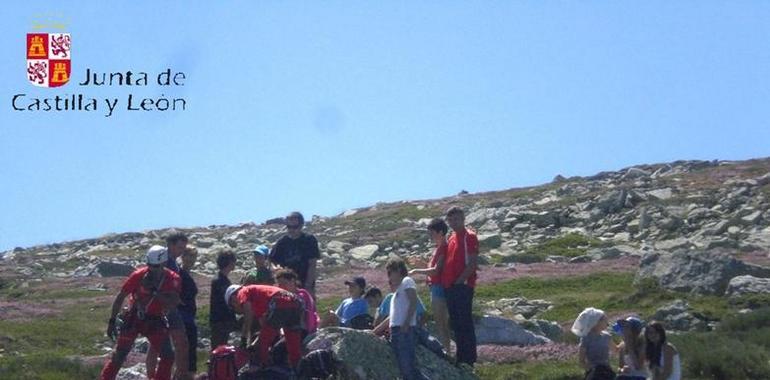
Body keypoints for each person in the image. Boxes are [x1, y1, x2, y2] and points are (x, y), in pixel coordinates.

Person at [100, 246, 181, 380]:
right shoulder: (138, 275)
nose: (152, 269)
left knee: (168, 355)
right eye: (150, 265)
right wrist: (112, 321)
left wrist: (154, 292)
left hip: (156, 319)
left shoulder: (173, 279)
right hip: (134, 317)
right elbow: (121, 297)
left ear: (164, 264)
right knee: (120, 355)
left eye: (155, 266)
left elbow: (172, 302)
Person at [147, 246, 199, 378]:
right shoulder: (178, 273)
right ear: (183, 257)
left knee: (184, 350)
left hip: (188, 316)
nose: (191, 260)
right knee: (180, 350)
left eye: (194, 257)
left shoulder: (186, 274)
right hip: (180, 316)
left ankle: (177, 375)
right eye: (189, 256)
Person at [372, 258, 428, 380]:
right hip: (397, 332)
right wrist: (375, 331)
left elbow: (413, 301)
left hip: (404, 331)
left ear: (398, 270)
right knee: (405, 369)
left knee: (408, 368)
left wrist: (406, 323)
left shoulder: (407, 281)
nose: (389, 277)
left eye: (390, 273)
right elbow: (392, 317)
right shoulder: (397, 293)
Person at [225, 284, 304, 369]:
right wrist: (254, 344)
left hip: (280, 301)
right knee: (292, 344)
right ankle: (299, 372)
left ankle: (264, 371)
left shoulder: (242, 292)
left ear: (233, 299)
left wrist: (243, 340)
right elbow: (264, 328)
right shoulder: (258, 299)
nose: (237, 311)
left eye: (233, 307)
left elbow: (248, 316)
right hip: (296, 302)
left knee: (262, 347)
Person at [441, 206, 478, 366]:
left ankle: (469, 359)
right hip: (450, 287)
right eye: (450, 220)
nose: (453, 222)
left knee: (464, 322)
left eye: (456, 219)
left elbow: (472, 263)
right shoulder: (452, 237)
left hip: (462, 286)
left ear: (463, 219)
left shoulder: (469, 236)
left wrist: (460, 281)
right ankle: (461, 357)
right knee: (456, 323)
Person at [409, 217, 451, 352]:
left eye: (432, 233)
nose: (430, 236)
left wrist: (416, 271)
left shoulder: (444, 248)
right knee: (441, 323)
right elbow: (433, 267)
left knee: (441, 323)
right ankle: (447, 350)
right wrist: (421, 263)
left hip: (439, 288)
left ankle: (447, 351)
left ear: (440, 232)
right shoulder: (439, 248)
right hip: (436, 287)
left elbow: (435, 271)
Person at [269, 212, 321, 297]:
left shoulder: (309, 240)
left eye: (295, 227)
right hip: (285, 285)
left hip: (304, 283)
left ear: (301, 226)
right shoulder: (282, 242)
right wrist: (276, 269)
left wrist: (308, 285)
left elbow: (312, 263)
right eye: (289, 227)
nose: (291, 230)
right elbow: (272, 260)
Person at [572, 307, 616, 380]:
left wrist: (626, 341)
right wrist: (591, 370)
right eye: (605, 321)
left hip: (607, 371)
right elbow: (581, 361)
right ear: (596, 322)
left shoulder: (607, 336)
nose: (607, 323)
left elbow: (616, 350)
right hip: (593, 373)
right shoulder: (586, 339)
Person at [275, 268, 319, 335]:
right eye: (279, 284)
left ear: (292, 281)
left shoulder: (302, 296)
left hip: (302, 331)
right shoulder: (282, 296)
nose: (281, 287)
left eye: (284, 283)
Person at [209, 250, 238, 347]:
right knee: (218, 348)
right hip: (220, 321)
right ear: (230, 262)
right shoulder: (219, 281)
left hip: (221, 320)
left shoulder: (222, 279)